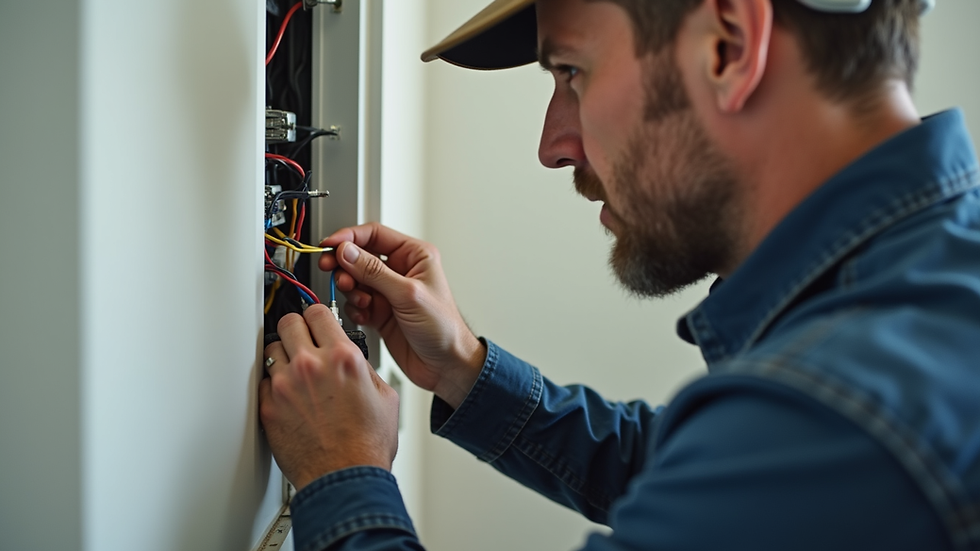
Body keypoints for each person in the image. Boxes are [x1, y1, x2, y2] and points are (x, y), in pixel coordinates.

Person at [259, 0, 980, 549]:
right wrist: (467, 369)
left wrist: (342, 471)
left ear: (728, 46)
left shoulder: (842, 419)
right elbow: (696, 477)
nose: (552, 145)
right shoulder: (921, 307)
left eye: (571, 72)